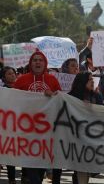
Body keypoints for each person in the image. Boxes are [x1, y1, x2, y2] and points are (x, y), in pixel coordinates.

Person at [13, 49, 61, 184]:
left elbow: (60, 100)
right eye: (35, 60)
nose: (38, 62)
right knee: (29, 164)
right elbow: (13, 100)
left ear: (45, 63)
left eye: (40, 60)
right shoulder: (21, 80)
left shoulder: (52, 80)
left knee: (41, 166)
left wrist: (52, 95)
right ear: (30, 63)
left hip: (46, 130)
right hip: (26, 130)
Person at [68, 72, 103, 184]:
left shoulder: (96, 96)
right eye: (89, 79)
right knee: (81, 168)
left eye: (92, 79)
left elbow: (103, 114)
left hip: (91, 138)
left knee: (85, 168)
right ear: (82, 82)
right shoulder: (71, 97)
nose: (92, 81)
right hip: (75, 139)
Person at [1, 66, 17, 184]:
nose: (12, 75)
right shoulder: (2, 91)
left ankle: (25, 177)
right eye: (9, 74)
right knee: (9, 153)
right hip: (6, 127)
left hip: (20, 126)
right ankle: (12, 179)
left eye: (13, 73)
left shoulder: (21, 89)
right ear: (4, 77)